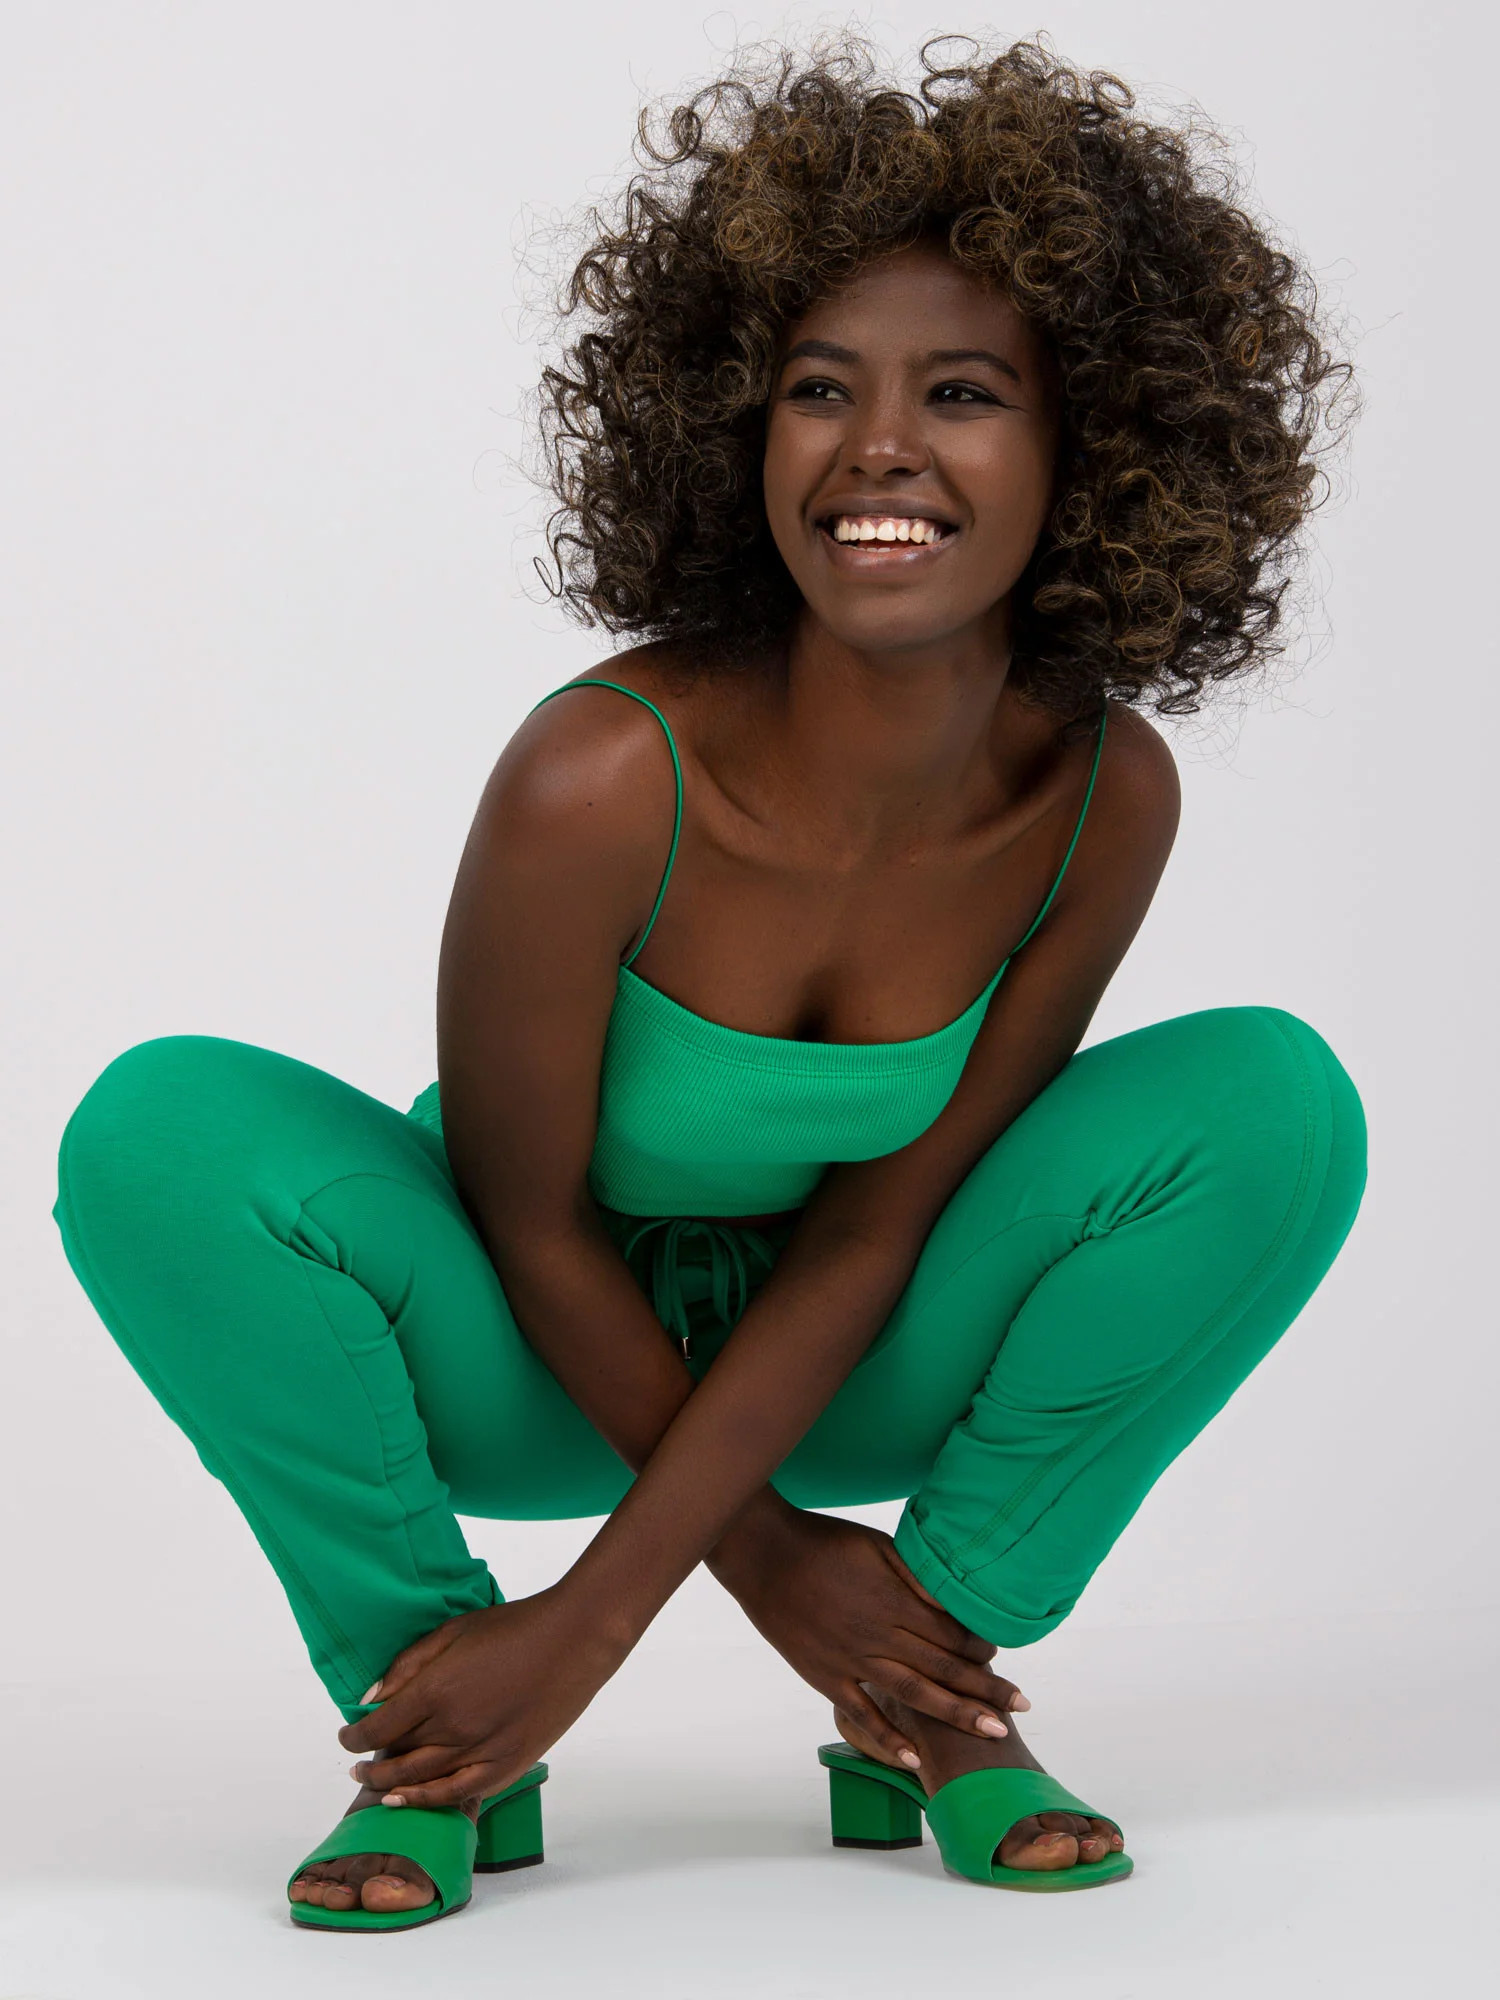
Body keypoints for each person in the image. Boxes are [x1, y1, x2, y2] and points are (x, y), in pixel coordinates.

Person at [53, 38, 1366, 1930]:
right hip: (534, 1348)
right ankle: (443, 1727)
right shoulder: (602, 774)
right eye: (820, 389)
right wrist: (636, 1615)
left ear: (1095, 448)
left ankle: (929, 1700)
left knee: (1273, 1104)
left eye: (963, 393)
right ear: (738, 430)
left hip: (858, 1346)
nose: (879, 445)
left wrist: (743, 1600)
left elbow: (891, 1222)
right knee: (159, 1130)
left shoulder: (1103, 793)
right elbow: (521, 1218)